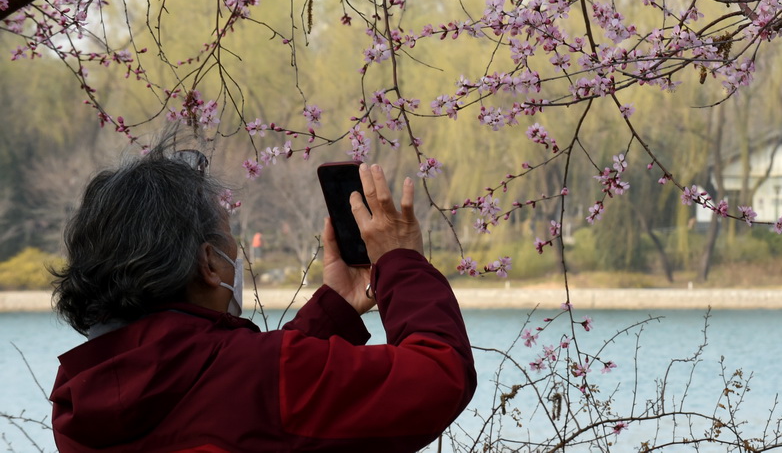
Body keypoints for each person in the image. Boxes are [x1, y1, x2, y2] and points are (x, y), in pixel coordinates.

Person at [49, 139, 476, 452]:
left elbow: (238, 402)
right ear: (209, 264)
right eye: (229, 241)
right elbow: (440, 376)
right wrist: (401, 262)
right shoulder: (255, 374)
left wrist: (336, 308)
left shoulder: (80, 395)